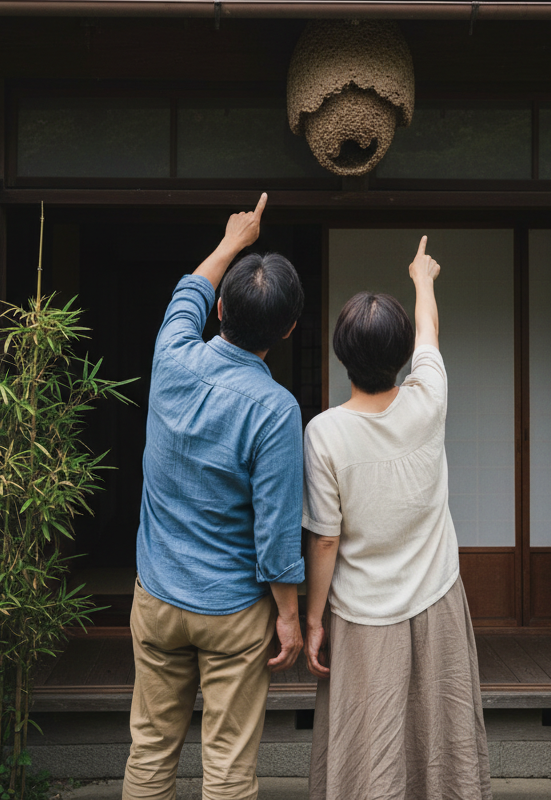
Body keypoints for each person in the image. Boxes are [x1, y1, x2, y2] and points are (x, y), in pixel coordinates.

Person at [123, 192, 306, 800]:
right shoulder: (276, 410)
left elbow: (186, 295)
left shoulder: (172, 357)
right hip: (232, 609)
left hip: (157, 595)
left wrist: (233, 241)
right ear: (287, 329)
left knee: (150, 749)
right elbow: (277, 533)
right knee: (227, 765)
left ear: (220, 308)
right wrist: (289, 616)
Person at [302, 235, 492, 800]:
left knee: (370, 746)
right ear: (402, 354)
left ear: (341, 353)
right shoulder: (427, 397)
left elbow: (326, 541)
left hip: (361, 615)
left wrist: (313, 621)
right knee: (441, 737)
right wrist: (423, 279)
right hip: (437, 599)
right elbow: (430, 332)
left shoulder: (325, 432)